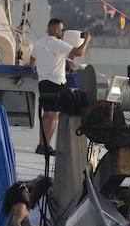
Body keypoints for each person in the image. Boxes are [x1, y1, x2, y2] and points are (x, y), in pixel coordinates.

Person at [30, 17, 90, 156]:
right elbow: (79, 52)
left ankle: (42, 145)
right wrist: (87, 40)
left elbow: (32, 58)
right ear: (56, 29)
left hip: (43, 83)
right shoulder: (57, 43)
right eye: (61, 29)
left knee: (46, 115)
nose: (62, 32)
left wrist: (32, 67)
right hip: (55, 83)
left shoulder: (39, 43)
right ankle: (46, 147)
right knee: (53, 116)